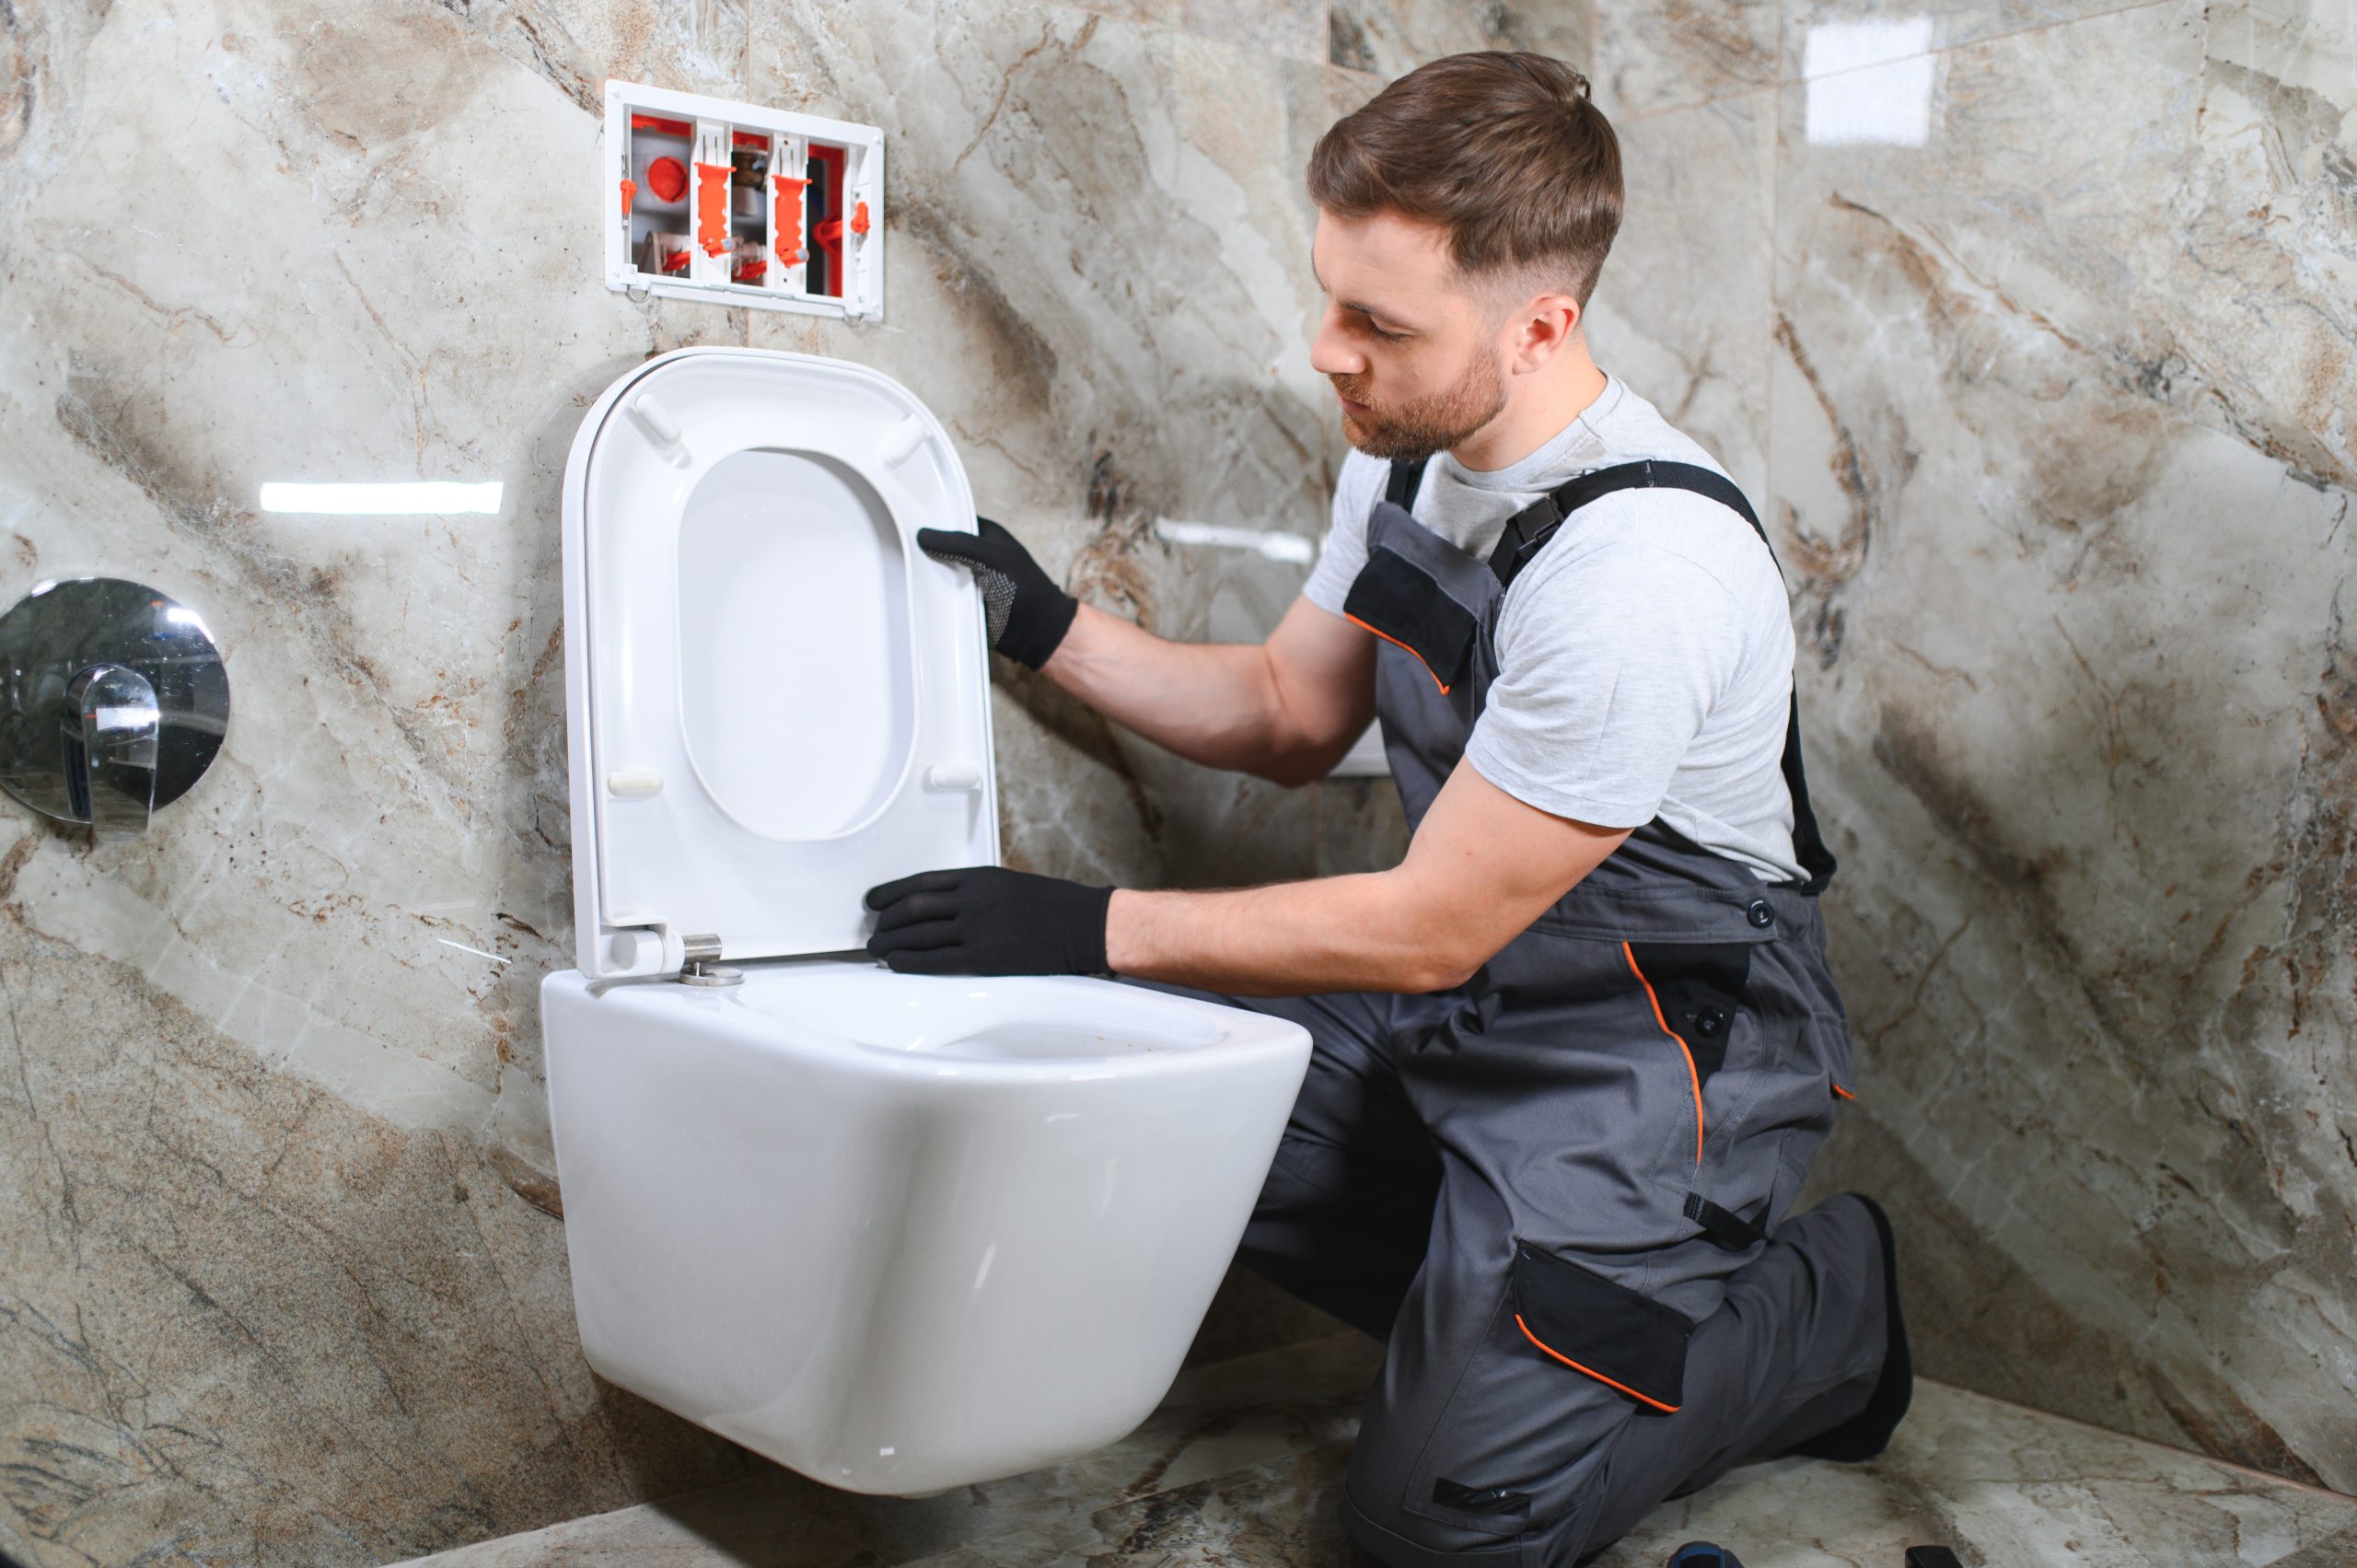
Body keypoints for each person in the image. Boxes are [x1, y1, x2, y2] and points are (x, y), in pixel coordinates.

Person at [862, 51, 1910, 1566]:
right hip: (1484, 989)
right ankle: (1509, 1311)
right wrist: (1047, 629)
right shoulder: (1415, 456)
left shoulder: (1645, 573)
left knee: (1439, 1541)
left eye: (1376, 322)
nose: (1325, 351)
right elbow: (1294, 715)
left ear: (1541, 322)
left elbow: (1427, 924)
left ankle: (1825, 1314)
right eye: (1329, 295)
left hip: (1656, 1047)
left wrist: (1088, 927)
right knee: (1170, 1115)